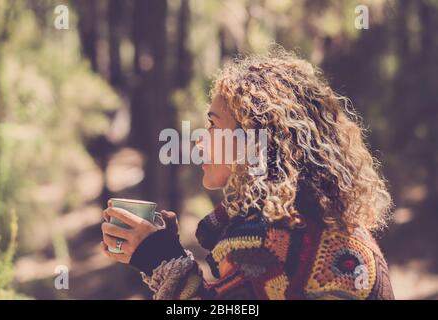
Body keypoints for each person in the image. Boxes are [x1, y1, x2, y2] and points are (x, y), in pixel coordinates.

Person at [100, 47, 395, 300]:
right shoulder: (318, 219)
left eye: (214, 125)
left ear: (254, 139)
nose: (200, 141)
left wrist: (160, 259)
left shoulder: (270, 242)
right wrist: (162, 255)